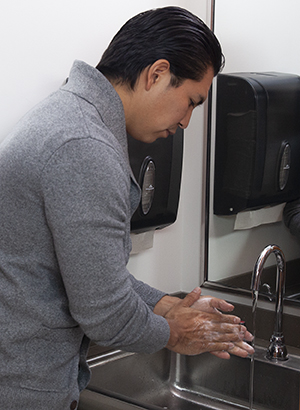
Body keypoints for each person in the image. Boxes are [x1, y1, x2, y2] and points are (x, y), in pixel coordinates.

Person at [0, 6, 254, 410]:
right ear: (156, 74)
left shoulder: (71, 119)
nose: (187, 121)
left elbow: (85, 273)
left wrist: (165, 304)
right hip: (23, 391)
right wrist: (177, 334)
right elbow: (104, 313)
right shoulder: (85, 147)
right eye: (190, 101)